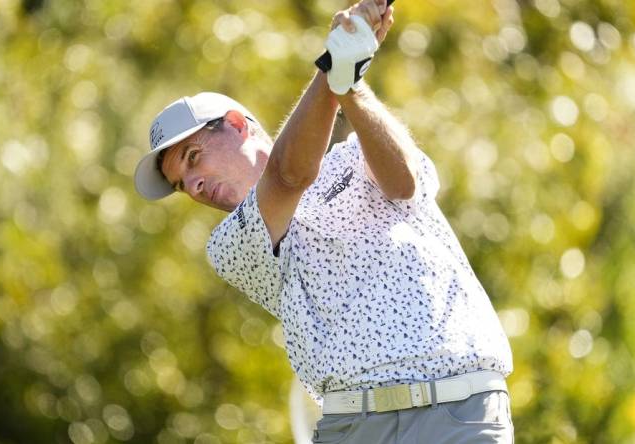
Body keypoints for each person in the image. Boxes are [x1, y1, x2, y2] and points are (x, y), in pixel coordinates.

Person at [133, 1, 514, 442]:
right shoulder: (231, 245)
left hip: (459, 410)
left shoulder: (356, 154)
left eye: (194, 158)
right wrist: (336, 61)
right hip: (352, 428)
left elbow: (405, 182)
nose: (195, 185)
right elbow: (288, 175)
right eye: (183, 184)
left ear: (237, 125)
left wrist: (349, 79)